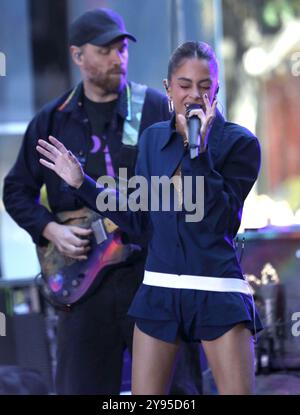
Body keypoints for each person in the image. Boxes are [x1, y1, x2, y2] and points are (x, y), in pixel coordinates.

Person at [36, 40, 264, 395]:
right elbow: (141, 221)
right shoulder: (153, 139)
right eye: (185, 85)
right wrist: (83, 184)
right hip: (160, 288)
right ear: (168, 88)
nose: (194, 95)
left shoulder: (240, 143)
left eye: (205, 86)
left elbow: (219, 220)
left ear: (217, 88)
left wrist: (198, 155)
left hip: (215, 289)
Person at [3, 9, 203, 394]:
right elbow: (15, 190)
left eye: (122, 49)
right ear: (78, 56)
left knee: (175, 391)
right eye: (106, 50)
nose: (118, 58)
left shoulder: (155, 109)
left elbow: (190, 179)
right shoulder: (51, 121)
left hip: (152, 275)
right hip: (83, 284)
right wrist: (50, 229)